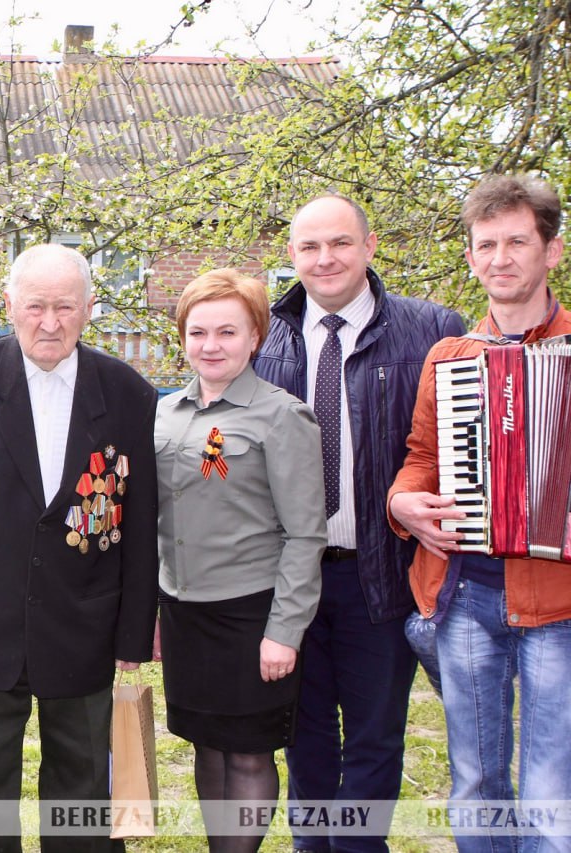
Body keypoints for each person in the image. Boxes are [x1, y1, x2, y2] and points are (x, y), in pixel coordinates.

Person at [0, 243, 158, 853]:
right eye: (37, 306)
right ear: (9, 304)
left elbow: (143, 519)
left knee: (83, 785)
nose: (50, 322)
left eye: (66, 307)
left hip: (86, 620)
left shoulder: (127, 391)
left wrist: (133, 633)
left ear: (90, 309)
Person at [253, 194, 465, 851]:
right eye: (310, 246)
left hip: (381, 571)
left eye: (340, 242)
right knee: (305, 737)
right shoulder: (263, 338)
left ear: (370, 247)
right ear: (291, 255)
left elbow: (451, 450)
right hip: (293, 579)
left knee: (375, 737)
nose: (325, 258)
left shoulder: (431, 329)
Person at [389, 173, 571, 853]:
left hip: (559, 605)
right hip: (465, 597)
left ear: (550, 250)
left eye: (517, 241)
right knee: (474, 782)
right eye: (486, 244)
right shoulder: (451, 358)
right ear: (471, 256)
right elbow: (420, 457)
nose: (501, 257)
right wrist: (402, 501)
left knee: (552, 790)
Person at [156, 269, 325, 852]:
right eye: (197, 331)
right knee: (207, 744)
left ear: (256, 336)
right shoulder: (165, 414)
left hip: (252, 614)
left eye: (227, 331)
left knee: (249, 752)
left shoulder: (283, 416)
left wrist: (284, 632)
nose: (210, 345)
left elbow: (306, 536)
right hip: (184, 612)